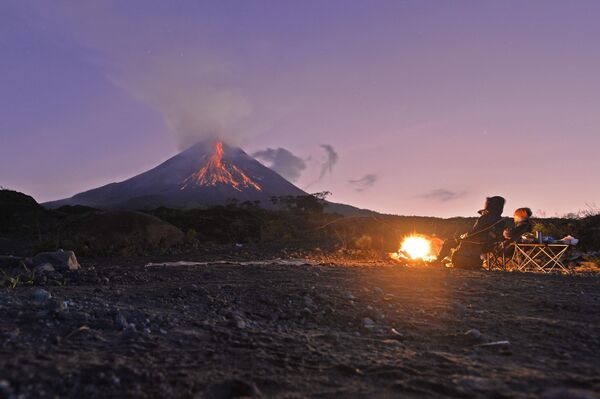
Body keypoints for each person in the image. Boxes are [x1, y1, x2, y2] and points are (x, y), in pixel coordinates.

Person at [436, 196, 506, 269]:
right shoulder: (501, 221)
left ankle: (437, 262)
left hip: (474, 243)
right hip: (489, 246)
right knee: (456, 240)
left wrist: (463, 236)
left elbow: (475, 232)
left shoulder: (484, 218)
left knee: (448, 242)